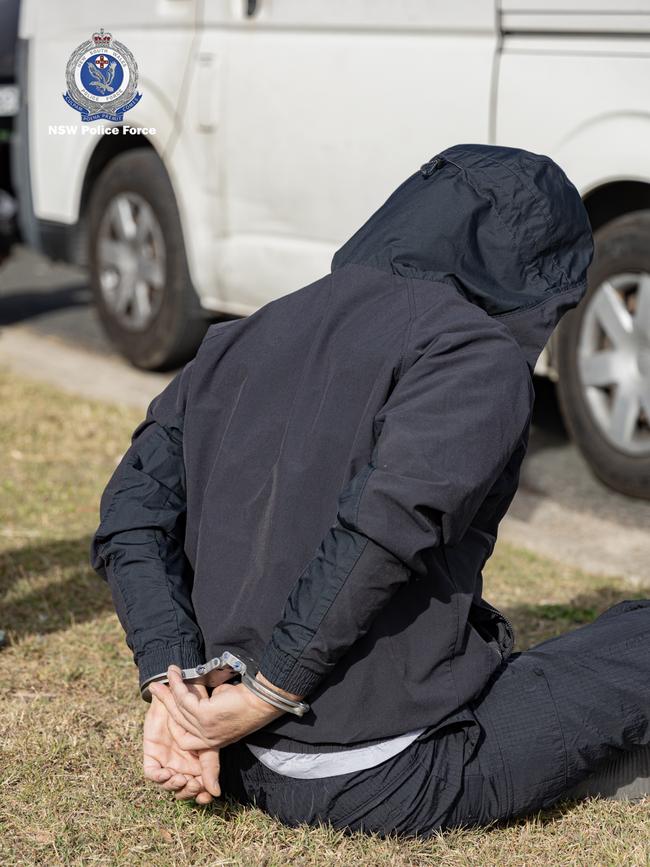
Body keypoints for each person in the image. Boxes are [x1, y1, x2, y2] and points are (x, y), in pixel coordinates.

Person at [90, 143, 650, 837]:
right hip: (383, 771)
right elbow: (381, 531)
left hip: (236, 752)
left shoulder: (246, 333)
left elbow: (131, 514)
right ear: (543, 271)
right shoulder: (473, 354)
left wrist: (173, 684)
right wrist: (267, 693)